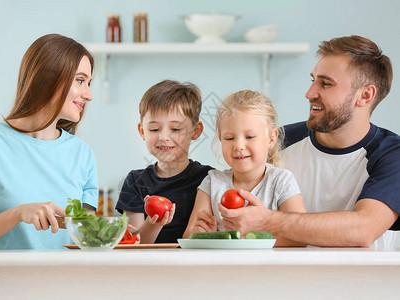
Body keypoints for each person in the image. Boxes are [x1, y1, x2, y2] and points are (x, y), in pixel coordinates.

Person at [218, 35, 400, 248]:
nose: (310, 93)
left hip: (361, 281)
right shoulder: (279, 142)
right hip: (281, 279)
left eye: (325, 83)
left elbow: (363, 229)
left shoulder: (392, 156)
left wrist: (267, 220)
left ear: (365, 95)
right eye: (313, 80)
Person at [0, 34, 98, 250]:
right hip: (2, 283)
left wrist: (137, 233)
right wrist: (17, 214)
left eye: (89, 83)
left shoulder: (82, 154)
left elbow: (89, 239)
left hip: (70, 282)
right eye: (80, 80)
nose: (89, 95)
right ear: (48, 77)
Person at [183, 90, 306, 246]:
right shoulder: (212, 182)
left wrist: (250, 238)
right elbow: (188, 236)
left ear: (271, 138)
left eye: (249, 137)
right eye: (229, 138)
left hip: (269, 269)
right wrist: (201, 234)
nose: (238, 146)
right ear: (220, 139)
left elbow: (300, 238)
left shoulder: (281, 181)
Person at [115, 80, 213, 243]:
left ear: (195, 131)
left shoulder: (209, 178)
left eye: (175, 129)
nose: (163, 137)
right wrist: (154, 224)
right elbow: (133, 245)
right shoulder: (135, 182)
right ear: (142, 131)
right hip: (150, 267)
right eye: (154, 129)